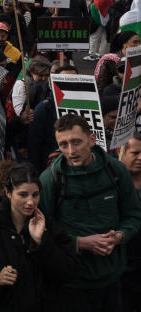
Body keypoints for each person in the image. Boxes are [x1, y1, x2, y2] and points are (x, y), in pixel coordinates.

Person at [39, 114, 141, 310]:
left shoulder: (116, 171)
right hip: (72, 284)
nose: (71, 151)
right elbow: (41, 233)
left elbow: (133, 215)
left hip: (112, 278)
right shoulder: (50, 180)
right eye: (63, 144)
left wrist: (119, 236)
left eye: (76, 142)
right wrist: (80, 243)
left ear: (92, 139)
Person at [0, 163, 78, 312]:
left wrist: (42, 243)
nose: (30, 202)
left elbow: (68, 271)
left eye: (35, 195)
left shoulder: (49, 226)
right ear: (8, 193)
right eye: (23, 195)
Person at [120, 135, 141, 310]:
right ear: (123, 152)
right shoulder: (112, 184)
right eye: (135, 152)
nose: (140, 158)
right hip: (123, 267)